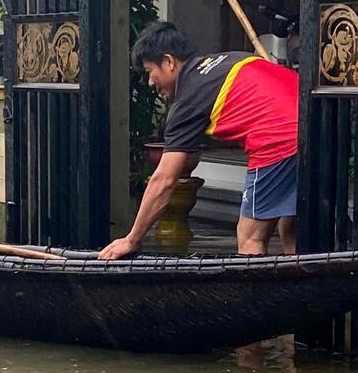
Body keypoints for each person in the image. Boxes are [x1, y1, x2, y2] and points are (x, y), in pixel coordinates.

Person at [99, 21, 299, 260]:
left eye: (150, 71)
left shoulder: (188, 99)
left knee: (250, 237)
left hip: (277, 143)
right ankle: (303, 280)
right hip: (315, 128)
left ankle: (256, 286)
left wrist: (132, 239)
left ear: (169, 62)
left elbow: (164, 180)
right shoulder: (227, 60)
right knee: (290, 225)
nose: (150, 82)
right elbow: (187, 158)